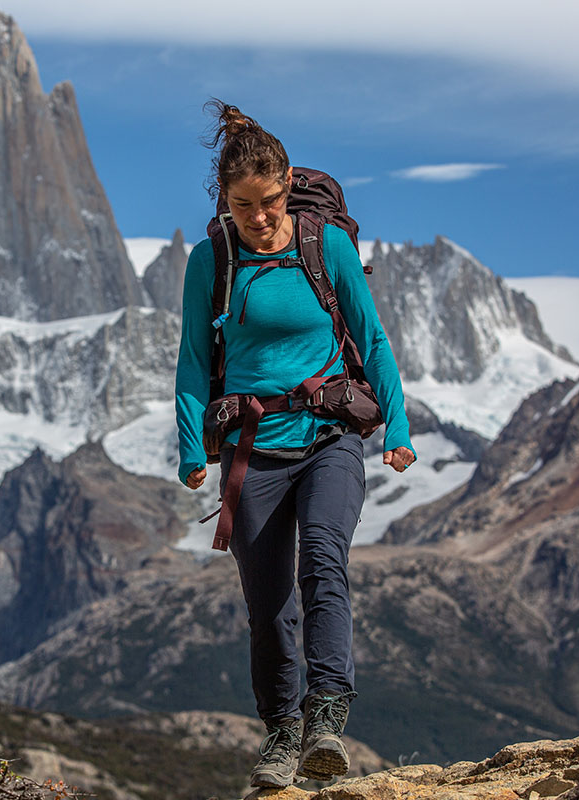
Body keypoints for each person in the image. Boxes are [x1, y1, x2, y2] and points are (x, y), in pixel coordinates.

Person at [174, 100, 415, 788]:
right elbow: (194, 360)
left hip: (329, 436)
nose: (260, 217)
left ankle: (327, 721)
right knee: (268, 604)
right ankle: (281, 735)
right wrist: (193, 448)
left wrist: (395, 427)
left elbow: (371, 340)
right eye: (245, 205)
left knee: (323, 563)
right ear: (225, 200)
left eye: (271, 201)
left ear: (287, 187)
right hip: (254, 450)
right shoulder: (210, 260)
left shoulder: (325, 244)